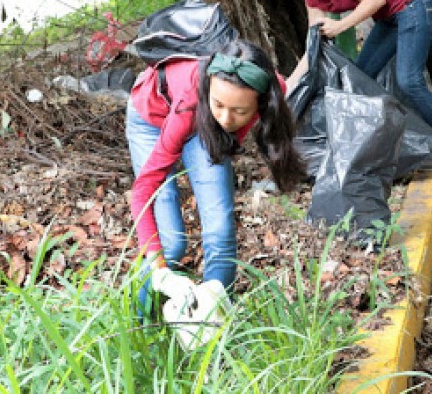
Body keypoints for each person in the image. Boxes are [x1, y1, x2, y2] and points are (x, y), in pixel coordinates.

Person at [126, 39, 306, 305]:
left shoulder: (272, 88)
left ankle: (216, 323)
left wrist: (228, 132)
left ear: (262, 102)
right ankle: (140, 323)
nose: (226, 119)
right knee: (170, 245)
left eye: (239, 111)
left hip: (201, 121)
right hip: (152, 118)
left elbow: (226, 126)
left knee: (220, 231)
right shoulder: (189, 107)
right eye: (220, 104)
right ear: (209, 86)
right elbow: (142, 192)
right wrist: (157, 263)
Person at [256, 0, 432, 170]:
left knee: (409, 80)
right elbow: (313, 46)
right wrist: (289, 84)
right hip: (390, 17)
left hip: (413, 3)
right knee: (362, 77)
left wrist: (340, 26)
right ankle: (386, 143)